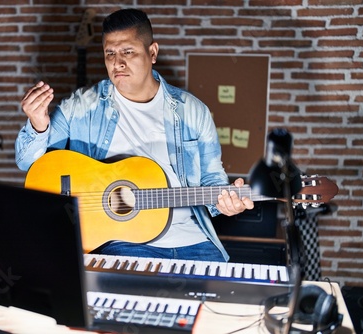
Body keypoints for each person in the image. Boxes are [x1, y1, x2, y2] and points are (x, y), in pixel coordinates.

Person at [15, 8, 254, 262]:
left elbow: (212, 181)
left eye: (128, 52)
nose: (118, 63)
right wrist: (38, 125)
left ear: (152, 53)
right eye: (110, 53)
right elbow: (31, 165)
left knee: (223, 296)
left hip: (193, 241)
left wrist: (227, 203)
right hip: (120, 243)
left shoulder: (193, 111)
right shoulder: (80, 108)